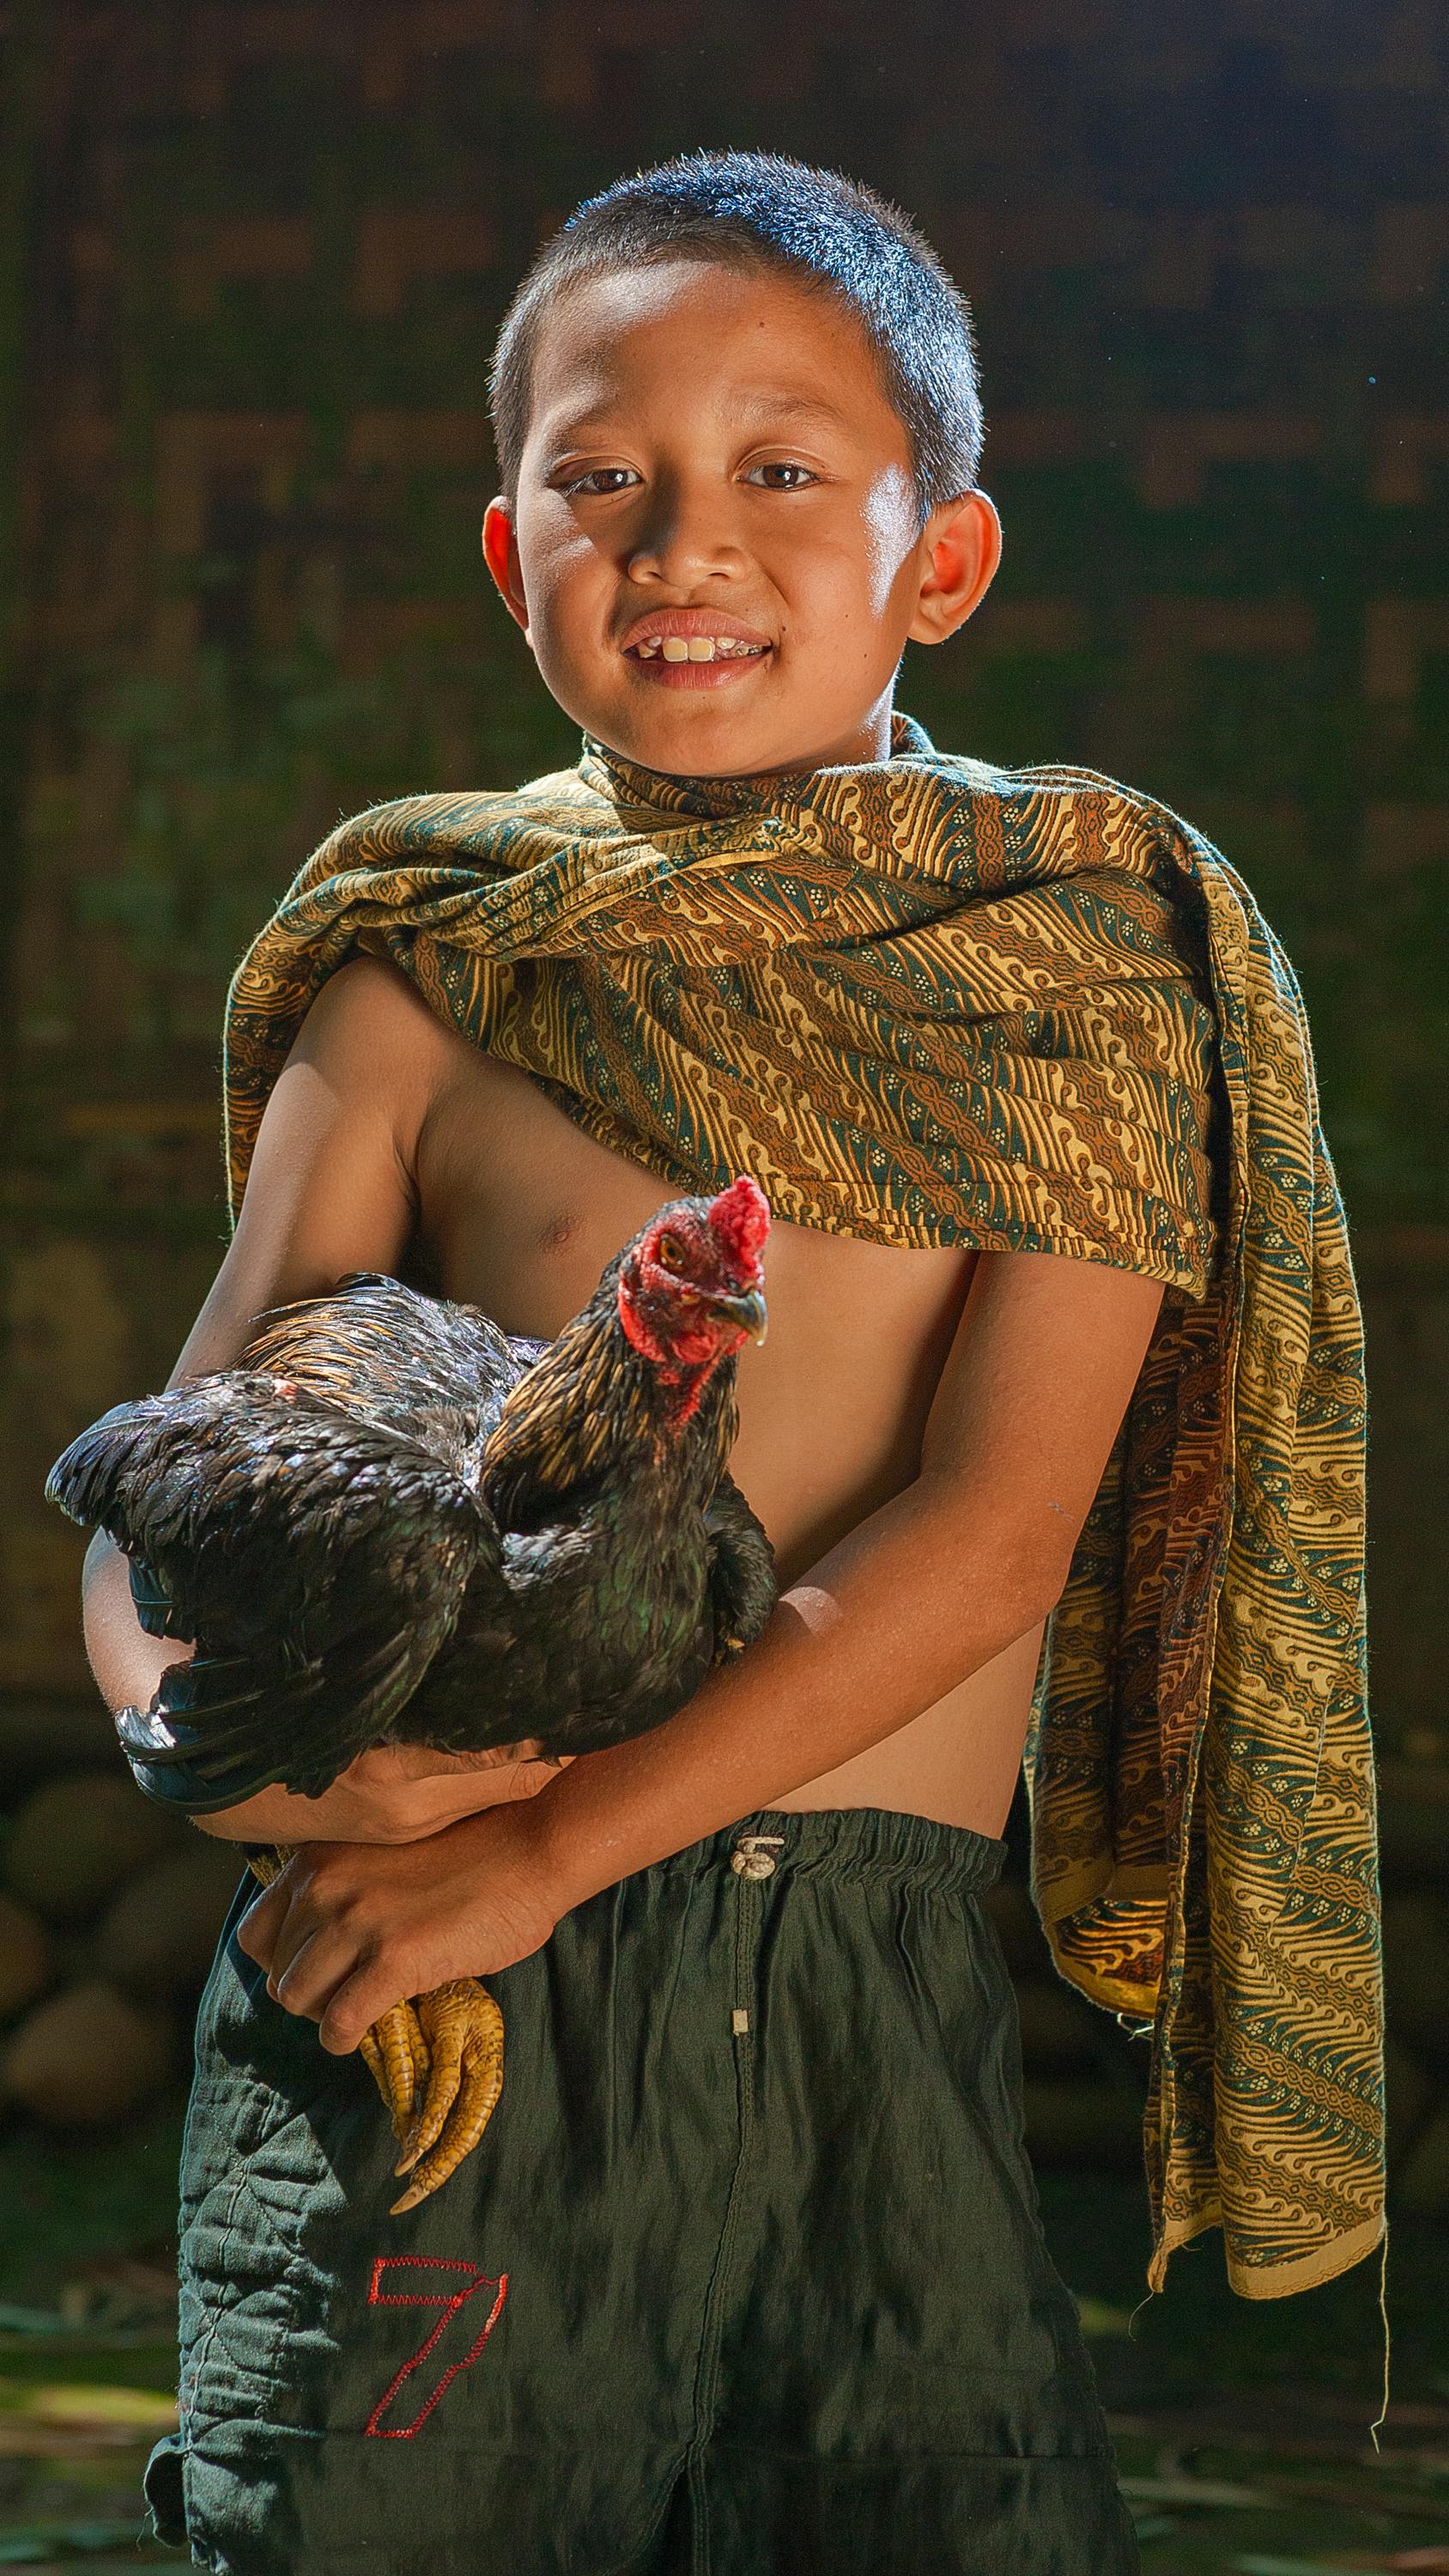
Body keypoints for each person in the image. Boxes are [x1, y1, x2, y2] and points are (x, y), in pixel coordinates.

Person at [79, 150, 1381, 2575]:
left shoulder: (1073, 973)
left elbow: (992, 1539)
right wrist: (249, 1773)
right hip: (410, 1947)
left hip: (841, 1981)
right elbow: (175, 1483)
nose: (685, 546)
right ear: (512, 555)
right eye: (605, 482)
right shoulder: (420, 972)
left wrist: (558, 1846)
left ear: (943, 558)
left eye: (783, 475)